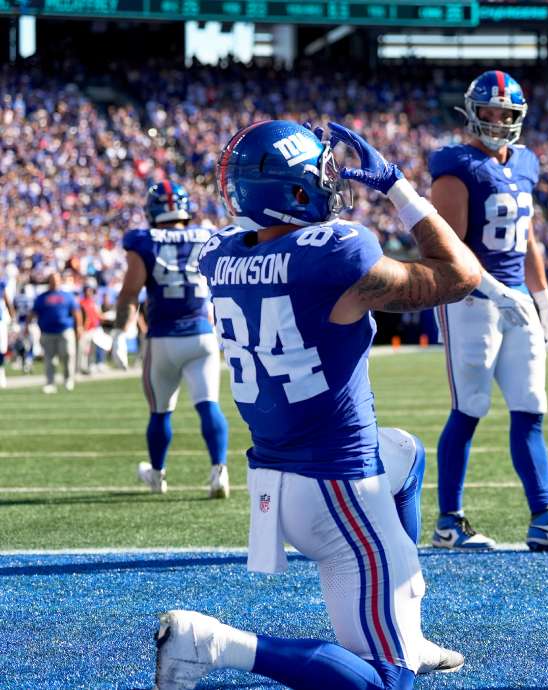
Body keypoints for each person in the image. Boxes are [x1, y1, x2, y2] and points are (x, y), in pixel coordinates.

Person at [153, 119, 480, 690]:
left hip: (274, 479)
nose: (332, 184)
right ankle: (213, 644)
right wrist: (400, 189)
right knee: (385, 683)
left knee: (404, 452)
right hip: (337, 488)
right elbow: (462, 274)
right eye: (320, 176)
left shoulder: (219, 254)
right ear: (294, 191)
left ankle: (407, 629)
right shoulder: (334, 255)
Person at [428, 70, 548, 552]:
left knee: (531, 405)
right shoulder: (455, 165)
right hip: (469, 299)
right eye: (489, 111)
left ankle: (544, 517)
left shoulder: (526, 162)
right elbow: (448, 249)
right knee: (471, 406)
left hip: (517, 299)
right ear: (471, 112)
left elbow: (527, 236)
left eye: (506, 113)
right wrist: (492, 290)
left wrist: (543, 296)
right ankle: (449, 521)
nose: (498, 120)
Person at [114, 181, 231, 497]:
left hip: (163, 337)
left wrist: (119, 333)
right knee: (209, 406)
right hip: (201, 334)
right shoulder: (206, 234)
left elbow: (129, 293)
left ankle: (157, 474)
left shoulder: (143, 240)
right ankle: (219, 471)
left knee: (160, 411)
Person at [31, 273, 82, 394]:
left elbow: (76, 312)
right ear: (49, 281)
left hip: (65, 330)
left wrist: (79, 327)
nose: (55, 282)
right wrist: (28, 325)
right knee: (50, 359)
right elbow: (33, 312)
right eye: (53, 280)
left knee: (69, 354)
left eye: (57, 280)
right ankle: (50, 383)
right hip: (47, 332)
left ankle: (69, 379)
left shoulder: (67, 296)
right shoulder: (42, 297)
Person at [77, 286, 103, 375]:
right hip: (86, 330)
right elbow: (83, 317)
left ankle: (91, 366)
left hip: (94, 329)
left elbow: (97, 315)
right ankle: (81, 368)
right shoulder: (81, 302)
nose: (91, 293)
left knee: (92, 350)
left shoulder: (93, 302)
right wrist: (82, 329)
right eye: (89, 291)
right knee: (83, 350)